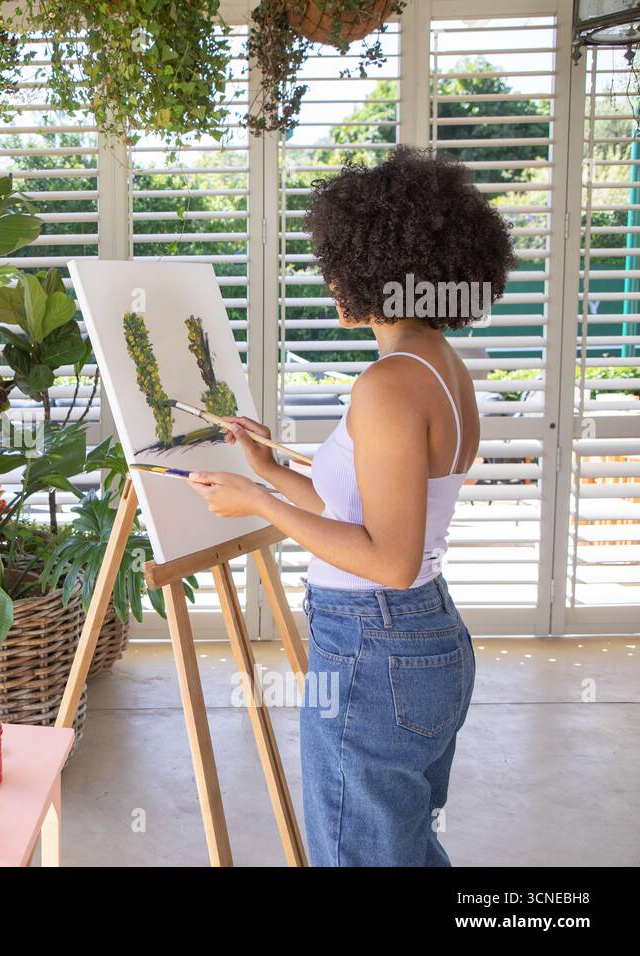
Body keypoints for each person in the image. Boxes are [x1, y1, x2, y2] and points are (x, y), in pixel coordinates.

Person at [187, 147, 516, 866]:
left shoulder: (389, 385)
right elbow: (368, 511)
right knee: (402, 844)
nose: (331, 279)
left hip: (376, 645)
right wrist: (268, 472)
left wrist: (257, 504)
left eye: (338, 261)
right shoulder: (440, 366)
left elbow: (387, 560)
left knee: (359, 852)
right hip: (422, 638)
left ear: (378, 269)